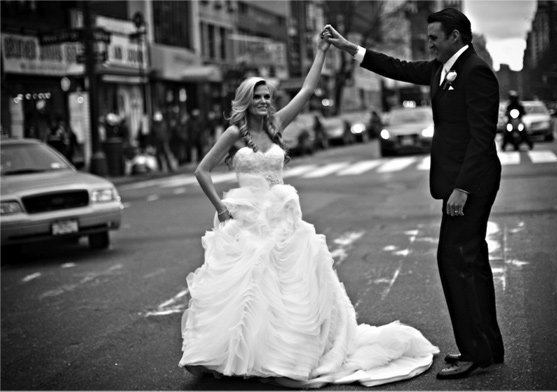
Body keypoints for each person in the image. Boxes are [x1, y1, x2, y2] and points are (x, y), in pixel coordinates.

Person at [178, 33, 439, 388]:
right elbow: (201, 170)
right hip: (246, 220)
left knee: (286, 290)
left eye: (267, 96)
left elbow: (306, 90)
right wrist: (221, 210)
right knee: (247, 290)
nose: (264, 101)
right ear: (245, 100)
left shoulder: (277, 125)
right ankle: (234, 355)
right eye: (257, 97)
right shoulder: (234, 133)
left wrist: (321, 52)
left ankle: (282, 355)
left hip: (282, 221)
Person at [322, 7, 504, 380]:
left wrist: (462, 189)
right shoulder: (441, 68)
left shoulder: (476, 71)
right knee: (472, 261)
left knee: (454, 261)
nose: (429, 42)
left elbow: (483, 139)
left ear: (456, 36)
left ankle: (475, 352)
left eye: (435, 36)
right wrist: (348, 47)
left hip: (471, 184)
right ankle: (487, 346)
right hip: (460, 183)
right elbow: (398, 67)